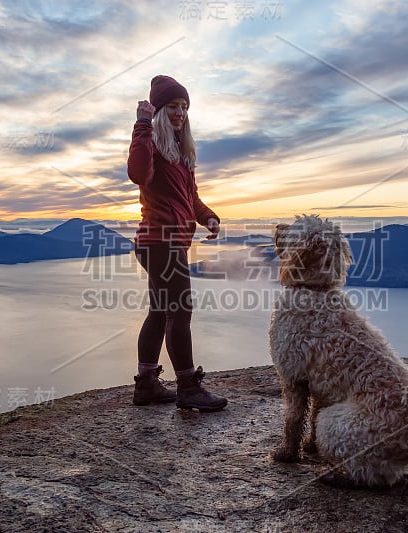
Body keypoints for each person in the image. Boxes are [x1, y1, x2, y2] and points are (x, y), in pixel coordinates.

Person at [127, 75, 228, 412]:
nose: (180, 112)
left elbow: (192, 199)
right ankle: (187, 387)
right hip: (160, 242)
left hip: (165, 243)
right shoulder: (151, 144)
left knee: (160, 311)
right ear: (158, 110)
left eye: (184, 107)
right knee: (180, 311)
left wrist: (208, 217)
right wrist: (141, 126)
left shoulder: (182, 156)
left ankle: (147, 385)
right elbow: (138, 173)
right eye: (173, 106)